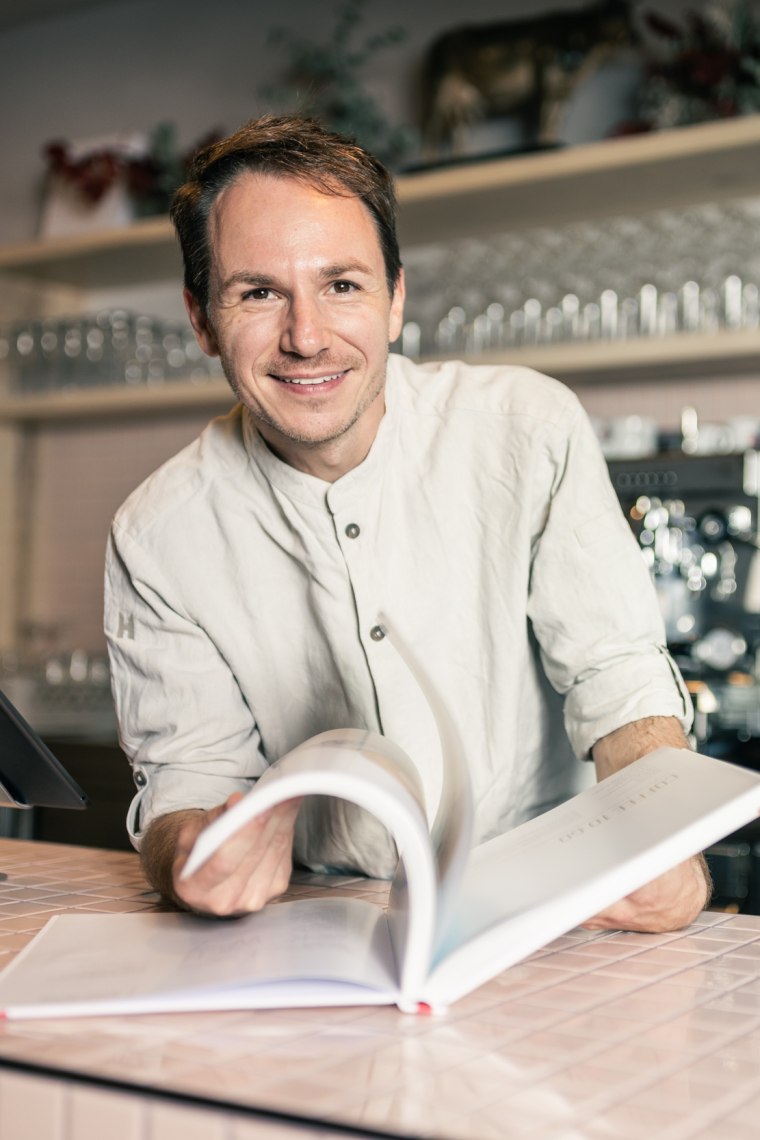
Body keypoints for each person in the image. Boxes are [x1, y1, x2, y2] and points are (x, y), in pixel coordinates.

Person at [104, 114, 709, 928]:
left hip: (556, 910)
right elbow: (187, 778)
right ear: (203, 319)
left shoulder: (526, 426)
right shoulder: (156, 535)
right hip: (316, 924)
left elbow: (616, 674)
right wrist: (191, 858)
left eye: (341, 285)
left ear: (394, 300)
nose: (306, 337)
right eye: (258, 293)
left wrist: (664, 833)